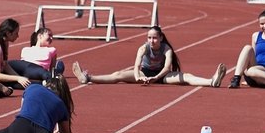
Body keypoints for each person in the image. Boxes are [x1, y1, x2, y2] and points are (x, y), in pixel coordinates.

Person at [72, 26, 226, 87]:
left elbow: (166, 68)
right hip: (144, 72)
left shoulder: (167, 49)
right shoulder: (143, 48)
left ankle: (211, 81)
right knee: (118, 75)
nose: (151, 40)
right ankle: (88, 77)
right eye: (149, 38)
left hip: (161, 75)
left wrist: (156, 77)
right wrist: (138, 77)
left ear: (160, 38)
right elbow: (137, 65)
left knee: (186, 77)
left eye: (154, 38)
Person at [0, 18, 50, 89]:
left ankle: (49, 76)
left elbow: (5, 65)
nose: (18, 36)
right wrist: (18, 79)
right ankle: (46, 84)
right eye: (16, 33)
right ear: (8, 33)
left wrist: (18, 77)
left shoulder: (3, 40)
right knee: (17, 82)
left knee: (23, 66)